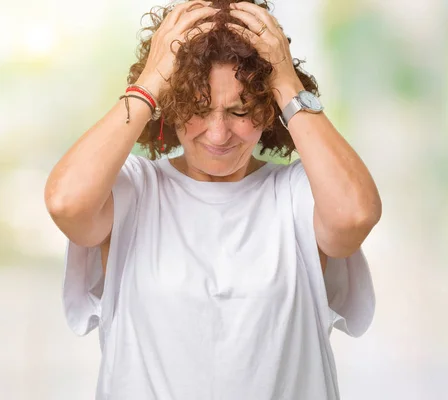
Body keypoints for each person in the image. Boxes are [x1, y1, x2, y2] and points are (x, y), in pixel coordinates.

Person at [44, 0, 382, 399]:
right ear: (169, 106)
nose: (218, 134)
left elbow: (355, 216)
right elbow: (66, 203)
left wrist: (288, 84)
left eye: (240, 110)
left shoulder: (297, 195)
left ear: (269, 110)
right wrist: (150, 81)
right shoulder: (134, 189)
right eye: (199, 108)